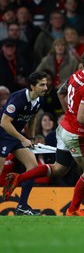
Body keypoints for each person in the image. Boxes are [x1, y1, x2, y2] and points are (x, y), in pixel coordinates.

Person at [2, 48, 84, 216]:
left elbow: (60, 92)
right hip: (77, 134)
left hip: (63, 128)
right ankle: (73, 209)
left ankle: (19, 178)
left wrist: (68, 113)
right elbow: (83, 118)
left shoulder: (76, 75)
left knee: (59, 169)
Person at [0, 71, 48, 215]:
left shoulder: (38, 100)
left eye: (46, 84)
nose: (46, 88)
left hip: (16, 135)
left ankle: (22, 206)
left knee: (33, 168)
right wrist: (23, 139)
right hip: (2, 134)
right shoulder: (18, 98)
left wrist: (31, 137)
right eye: (42, 85)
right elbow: (4, 123)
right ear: (32, 86)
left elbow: (32, 118)